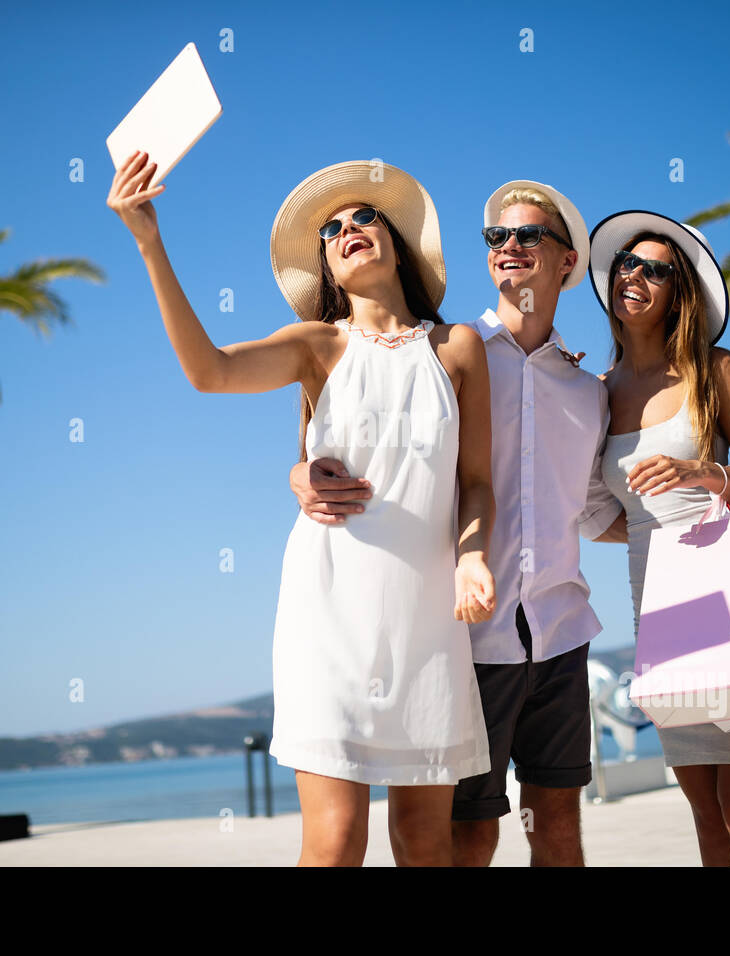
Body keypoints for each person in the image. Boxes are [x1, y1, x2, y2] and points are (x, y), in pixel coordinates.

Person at [107, 153, 496, 866]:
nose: (348, 228)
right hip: (329, 616)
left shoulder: (459, 347)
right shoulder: (316, 346)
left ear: (396, 243)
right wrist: (148, 242)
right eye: (332, 228)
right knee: (336, 839)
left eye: (365, 217)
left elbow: (475, 482)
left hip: (427, 621)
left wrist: (473, 555)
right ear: (325, 266)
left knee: (424, 841)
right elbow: (210, 371)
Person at [291, 181, 624, 866]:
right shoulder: (448, 354)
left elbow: (590, 510)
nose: (508, 247)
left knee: (558, 828)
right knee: (463, 838)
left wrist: (695, 519)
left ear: (568, 261)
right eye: (497, 238)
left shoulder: (589, 390)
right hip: (469, 638)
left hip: (561, 632)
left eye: (528, 235)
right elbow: (346, 438)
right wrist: (299, 475)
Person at [584, 209, 730, 866]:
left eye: (656, 268)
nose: (635, 274)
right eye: (626, 264)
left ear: (680, 292)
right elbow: (604, 514)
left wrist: (704, 473)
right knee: (706, 817)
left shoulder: (714, 367)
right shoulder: (598, 393)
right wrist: (653, 534)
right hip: (661, 618)